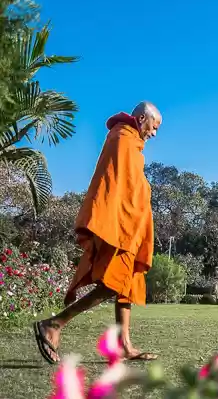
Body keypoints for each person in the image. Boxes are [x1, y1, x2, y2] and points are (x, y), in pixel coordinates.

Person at [33, 102, 162, 364]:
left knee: (125, 283)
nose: (154, 133)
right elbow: (118, 186)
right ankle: (55, 323)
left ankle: (124, 345)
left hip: (129, 226)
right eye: (154, 126)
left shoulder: (129, 141)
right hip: (119, 224)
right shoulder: (123, 139)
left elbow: (131, 184)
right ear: (141, 119)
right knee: (114, 284)